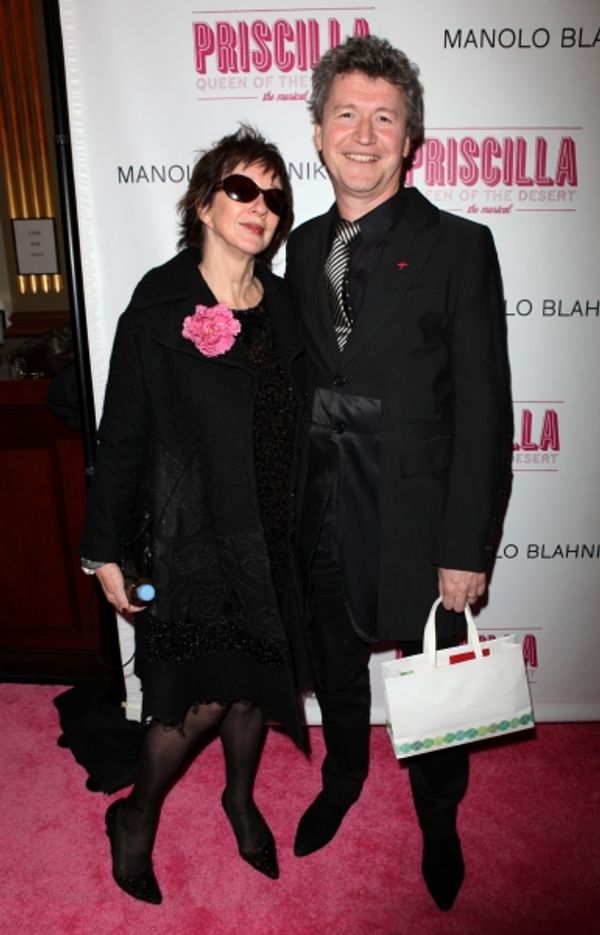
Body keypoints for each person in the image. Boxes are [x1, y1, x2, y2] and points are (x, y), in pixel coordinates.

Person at [285, 35, 512, 911]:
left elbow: (486, 410)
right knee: (338, 671)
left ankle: (440, 817)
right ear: (317, 132)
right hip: (324, 508)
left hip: (420, 517)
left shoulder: (460, 245)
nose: (365, 133)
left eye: (385, 117)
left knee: (436, 689)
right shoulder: (301, 248)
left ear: (411, 138)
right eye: (347, 113)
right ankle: (342, 778)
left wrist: (467, 546)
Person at [80, 125, 309, 905]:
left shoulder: (281, 304)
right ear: (206, 202)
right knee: (199, 697)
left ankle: (239, 798)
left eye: (274, 196)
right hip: (196, 539)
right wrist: (105, 550)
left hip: (271, 536)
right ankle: (135, 816)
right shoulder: (161, 301)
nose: (261, 207)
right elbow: (125, 433)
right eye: (243, 189)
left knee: (251, 688)